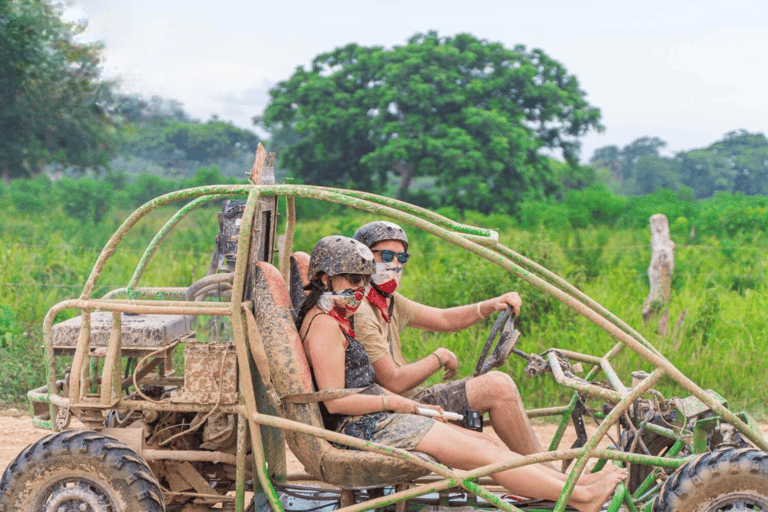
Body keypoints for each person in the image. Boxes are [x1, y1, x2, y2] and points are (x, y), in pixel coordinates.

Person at [296, 235, 627, 512]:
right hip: (364, 429)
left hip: (377, 421)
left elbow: (365, 384)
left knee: (483, 442)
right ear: (325, 279)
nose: (359, 290)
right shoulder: (324, 326)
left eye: (364, 281)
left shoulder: (334, 316)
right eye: (353, 280)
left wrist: (415, 407)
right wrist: (403, 405)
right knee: (484, 454)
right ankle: (582, 498)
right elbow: (337, 403)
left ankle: (574, 486)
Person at [352, 221, 543, 458]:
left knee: (497, 386)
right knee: (498, 387)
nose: (395, 264)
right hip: (395, 406)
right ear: (363, 258)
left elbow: (443, 319)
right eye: (387, 256)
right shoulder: (360, 309)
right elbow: (394, 382)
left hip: (410, 399)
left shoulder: (387, 299)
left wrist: (490, 305)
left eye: (402, 258)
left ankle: (545, 474)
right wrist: (439, 357)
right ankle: (547, 475)